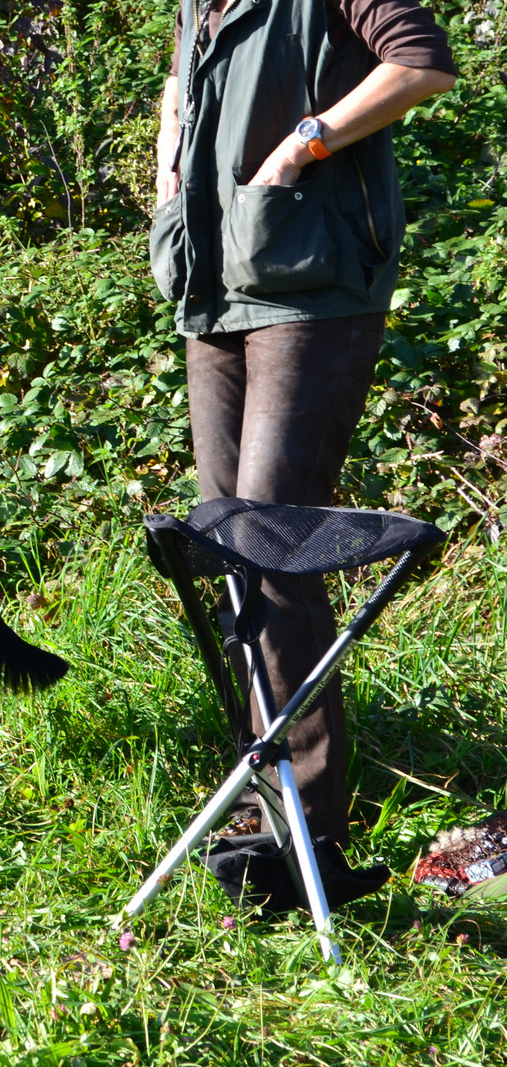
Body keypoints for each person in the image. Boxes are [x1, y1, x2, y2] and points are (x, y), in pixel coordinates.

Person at [150, 0, 456, 848]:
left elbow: (423, 63)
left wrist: (303, 143)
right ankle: (262, 793)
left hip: (312, 286)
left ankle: (310, 828)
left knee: (275, 543)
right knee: (228, 545)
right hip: (214, 285)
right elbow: (180, 81)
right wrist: (167, 170)